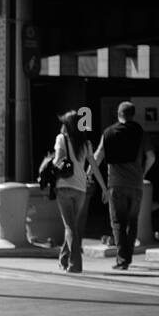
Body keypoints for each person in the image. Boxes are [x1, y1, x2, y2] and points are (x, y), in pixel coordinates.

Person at [94, 101, 155, 270]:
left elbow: (98, 156)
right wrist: (142, 173)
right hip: (136, 184)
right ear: (133, 114)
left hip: (115, 184)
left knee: (118, 223)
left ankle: (123, 259)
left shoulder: (108, 133)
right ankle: (127, 257)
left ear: (118, 114)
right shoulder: (140, 133)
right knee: (132, 222)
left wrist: (87, 175)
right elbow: (151, 157)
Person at [52, 111, 108, 274]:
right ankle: (64, 258)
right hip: (80, 189)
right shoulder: (86, 143)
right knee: (72, 227)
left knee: (69, 227)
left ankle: (75, 264)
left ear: (67, 125)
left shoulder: (61, 139)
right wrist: (104, 188)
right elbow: (95, 167)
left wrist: (50, 166)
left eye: (64, 123)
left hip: (63, 187)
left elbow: (57, 160)